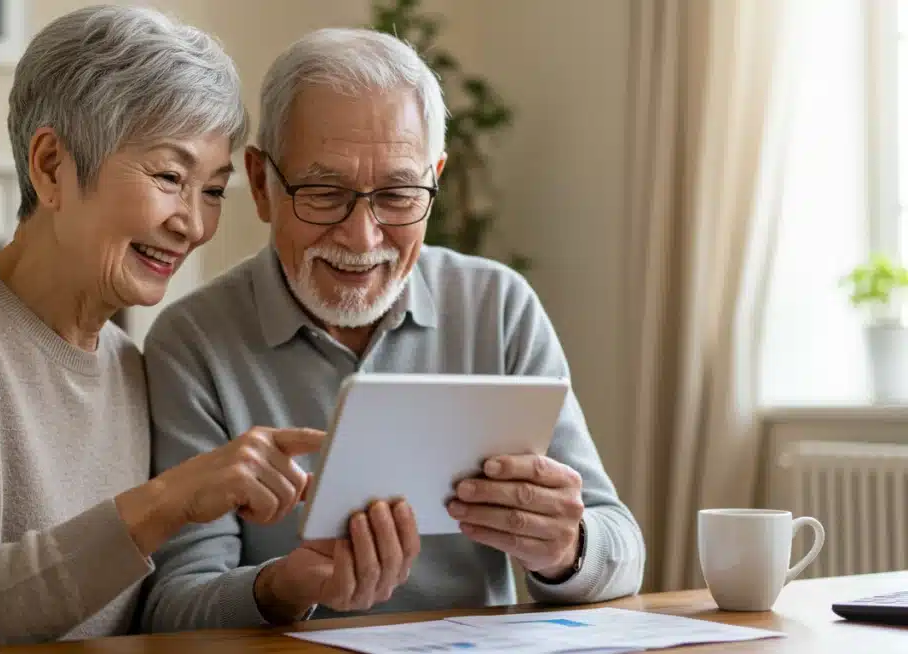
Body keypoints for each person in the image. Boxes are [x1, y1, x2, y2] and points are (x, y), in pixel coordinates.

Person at [0, 6, 327, 653]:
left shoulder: (132, 366)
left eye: (212, 190)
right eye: (169, 177)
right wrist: (168, 500)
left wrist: (284, 583)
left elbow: (144, 612)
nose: (193, 223)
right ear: (51, 167)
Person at [139, 27, 647, 633]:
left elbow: (622, 548)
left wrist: (567, 548)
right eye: (325, 193)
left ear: (435, 177)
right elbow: (172, 608)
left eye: (400, 194)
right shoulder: (191, 343)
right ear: (263, 184)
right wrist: (282, 588)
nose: (363, 237)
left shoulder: (498, 305)